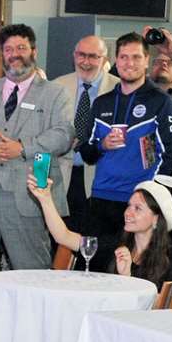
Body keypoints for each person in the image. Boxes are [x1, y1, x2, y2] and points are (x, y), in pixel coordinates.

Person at [0, 25, 76, 342]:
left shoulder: (54, 93)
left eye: (21, 48)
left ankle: (35, 334)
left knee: (31, 270)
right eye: (9, 49)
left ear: (33, 52)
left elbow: (63, 135)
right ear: (2, 55)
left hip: (28, 197)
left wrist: (23, 146)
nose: (15, 55)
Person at [74, 33, 172, 236]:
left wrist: (149, 197)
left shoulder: (162, 103)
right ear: (115, 60)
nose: (129, 63)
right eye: (123, 57)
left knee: (135, 266)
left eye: (136, 57)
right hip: (101, 199)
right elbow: (86, 153)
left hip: (140, 203)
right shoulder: (102, 103)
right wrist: (102, 145)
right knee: (97, 264)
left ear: (147, 60)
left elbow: (170, 158)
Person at [28, 177, 172, 289]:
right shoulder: (116, 246)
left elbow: (163, 307)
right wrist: (45, 199)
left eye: (137, 208)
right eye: (129, 206)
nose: (128, 213)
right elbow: (64, 236)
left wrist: (127, 276)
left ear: (156, 219)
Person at [50, 35, 116, 234]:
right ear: (73, 56)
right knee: (60, 241)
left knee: (93, 241)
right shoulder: (57, 86)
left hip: (99, 179)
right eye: (81, 55)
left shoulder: (118, 89)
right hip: (62, 176)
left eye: (93, 57)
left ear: (105, 60)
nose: (86, 62)